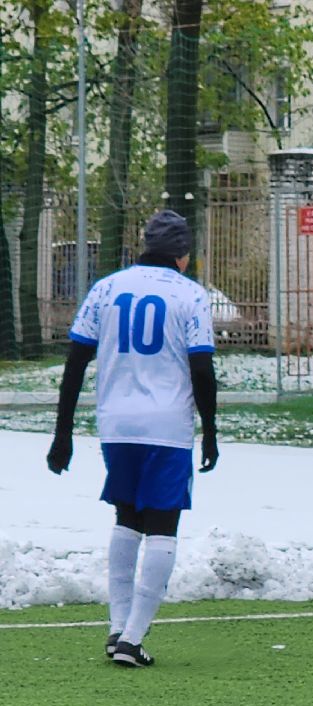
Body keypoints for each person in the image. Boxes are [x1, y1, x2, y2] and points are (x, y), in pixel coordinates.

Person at [47, 209, 220, 667]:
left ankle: (117, 627)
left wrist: (62, 433)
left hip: (116, 425)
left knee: (127, 519)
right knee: (163, 525)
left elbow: (75, 363)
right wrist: (211, 431)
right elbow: (202, 369)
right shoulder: (190, 294)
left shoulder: (106, 288)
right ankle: (133, 638)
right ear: (183, 254)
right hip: (167, 426)